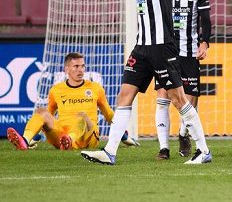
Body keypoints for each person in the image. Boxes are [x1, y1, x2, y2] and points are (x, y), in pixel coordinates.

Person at [81, 0, 212, 165]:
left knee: (178, 100)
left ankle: (203, 151)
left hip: (163, 48)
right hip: (141, 48)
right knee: (124, 95)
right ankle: (110, 152)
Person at [6, 52, 138, 151]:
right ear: (67, 69)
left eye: (82, 66)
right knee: (41, 111)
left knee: (82, 116)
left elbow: (108, 114)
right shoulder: (56, 90)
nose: (80, 70)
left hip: (88, 137)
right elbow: (48, 117)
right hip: (61, 136)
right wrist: (36, 137)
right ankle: (24, 141)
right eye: (76, 66)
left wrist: (125, 137)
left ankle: (69, 140)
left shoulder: (95, 88)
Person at [154, 0, 211, 160]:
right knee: (163, 96)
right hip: (165, 50)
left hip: (189, 51)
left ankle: (183, 133)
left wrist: (205, 43)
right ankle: (163, 147)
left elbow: (205, 20)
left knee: (190, 98)